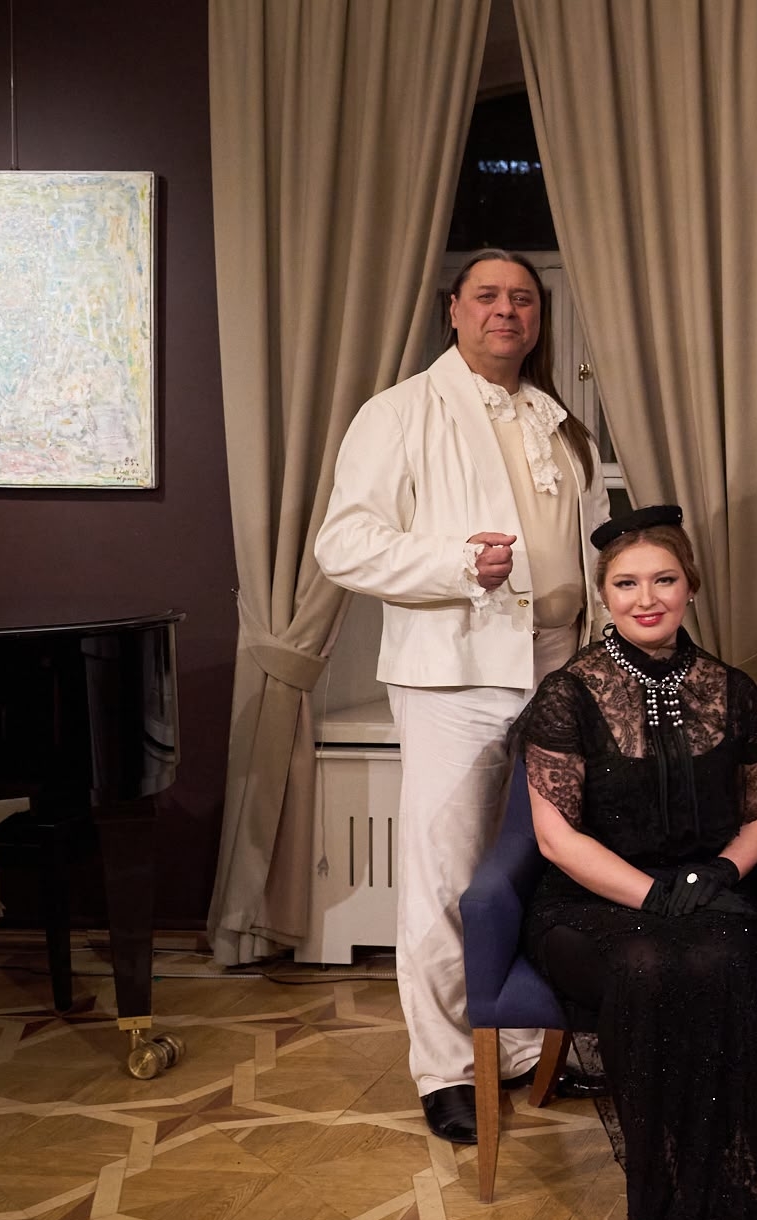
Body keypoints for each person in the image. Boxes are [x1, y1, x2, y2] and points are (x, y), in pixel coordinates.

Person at [487, 505, 757, 1220]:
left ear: (690, 587)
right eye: (626, 584)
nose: (646, 598)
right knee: (648, 962)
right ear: (604, 595)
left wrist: (722, 870)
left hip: (708, 891)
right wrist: (648, 896)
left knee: (713, 957)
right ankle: (663, 1217)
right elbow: (555, 838)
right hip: (589, 904)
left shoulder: (732, 690)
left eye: (663, 580)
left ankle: (724, 1209)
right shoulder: (568, 694)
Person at [315, 249, 609, 1145]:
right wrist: (453, 565)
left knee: (542, 866)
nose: (505, 310)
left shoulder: (559, 421)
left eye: (522, 298)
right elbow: (343, 544)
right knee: (448, 875)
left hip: (560, 670)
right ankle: (445, 1068)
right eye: (487, 296)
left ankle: (525, 1044)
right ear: (453, 309)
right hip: (454, 673)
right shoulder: (399, 411)